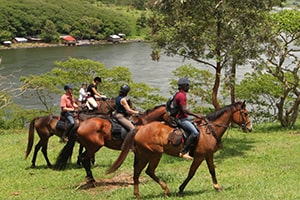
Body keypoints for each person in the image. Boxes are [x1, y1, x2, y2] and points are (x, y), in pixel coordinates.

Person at [174, 77, 203, 160]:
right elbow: (184, 110)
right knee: (195, 133)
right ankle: (183, 151)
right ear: (183, 86)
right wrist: (196, 115)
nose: (188, 87)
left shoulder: (178, 94)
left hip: (183, 117)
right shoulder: (182, 96)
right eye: (187, 85)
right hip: (181, 119)